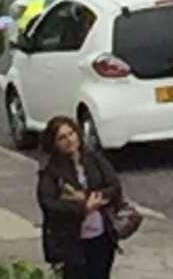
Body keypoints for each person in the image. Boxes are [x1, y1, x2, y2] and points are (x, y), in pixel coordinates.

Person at [37, 116, 122, 279]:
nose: (69, 140)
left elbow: (114, 185)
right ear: (54, 143)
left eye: (71, 133)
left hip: (101, 237)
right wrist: (83, 208)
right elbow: (48, 204)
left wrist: (92, 197)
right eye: (62, 137)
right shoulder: (51, 171)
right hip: (71, 243)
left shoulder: (93, 159)